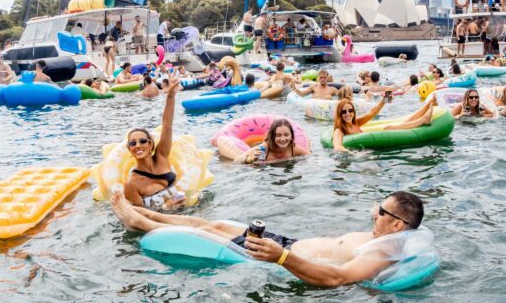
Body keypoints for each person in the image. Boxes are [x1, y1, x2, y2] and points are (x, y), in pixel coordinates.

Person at [111, 190, 427, 287]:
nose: (374, 213)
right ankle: (147, 214)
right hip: (290, 244)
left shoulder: (381, 253)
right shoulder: (382, 234)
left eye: (382, 212)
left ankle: (137, 221)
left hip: (283, 258)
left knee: (207, 233)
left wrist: (281, 258)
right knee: (217, 223)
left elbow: (337, 278)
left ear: (398, 226)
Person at [121, 75, 184, 209]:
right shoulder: (131, 185)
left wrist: (171, 95)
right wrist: (166, 208)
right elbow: (138, 216)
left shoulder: (162, 155)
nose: (138, 146)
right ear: (129, 149)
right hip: (164, 223)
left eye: (142, 141)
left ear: (150, 144)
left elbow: (167, 125)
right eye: (133, 143)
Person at [332, 97, 436, 151]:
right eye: (344, 112)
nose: (348, 114)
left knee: (401, 123)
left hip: (371, 149)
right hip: (363, 154)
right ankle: (423, 120)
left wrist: (385, 99)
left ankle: (427, 106)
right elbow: (337, 146)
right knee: (389, 128)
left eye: (350, 110)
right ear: (339, 114)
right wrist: (352, 154)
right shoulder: (339, 130)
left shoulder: (356, 122)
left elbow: (373, 112)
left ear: (354, 111)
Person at [235, 118, 311, 164]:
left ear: (291, 136)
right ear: (272, 136)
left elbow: (311, 157)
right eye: (278, 135)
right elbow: (236, 160)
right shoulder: (264, 149)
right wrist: (249, 159)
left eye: (286, 135)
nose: (283, 139)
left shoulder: (293, 148)